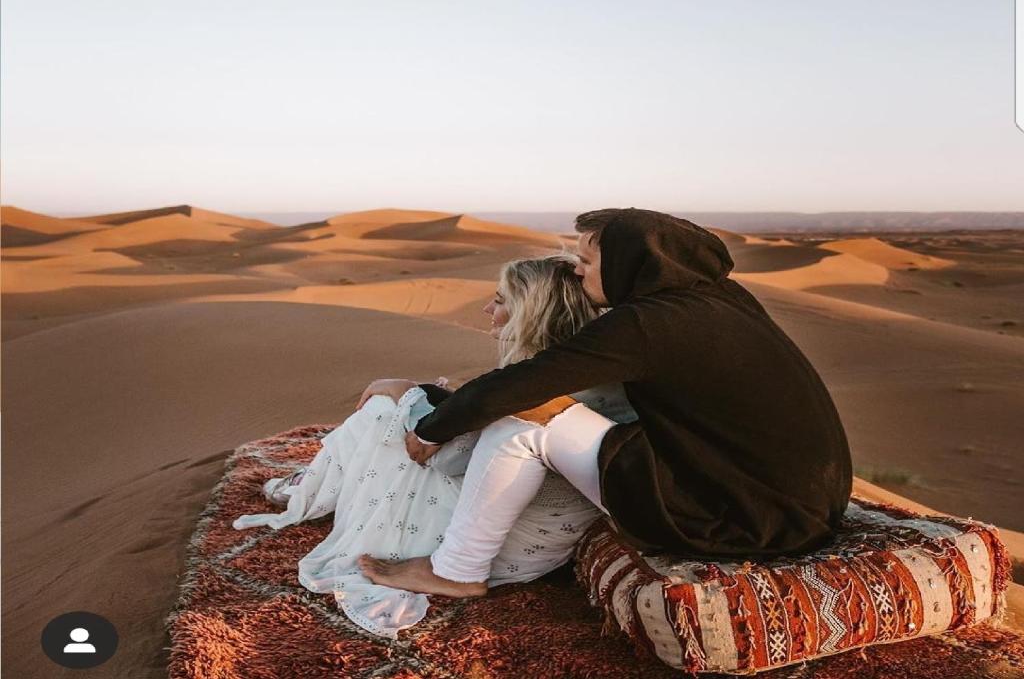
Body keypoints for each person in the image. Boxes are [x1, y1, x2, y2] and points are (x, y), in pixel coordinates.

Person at [358, 207, 853, 598]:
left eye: (589, 262)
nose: (578, 271)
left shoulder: (647, 322)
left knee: (526, 423)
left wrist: (430, 428)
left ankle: (456, 570)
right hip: (798, 506)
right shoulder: (719, 298)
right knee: (542, 410)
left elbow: (526, 385)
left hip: (736, 519)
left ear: (627, 263)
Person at [232, 254, 637, 637]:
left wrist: (407, 394)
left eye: (499, 301)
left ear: (531, 314)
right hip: (540, 538)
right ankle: (316, 485)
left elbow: (448, 458)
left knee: (383, 414)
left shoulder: (537, 389)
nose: (486, 310)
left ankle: (313, 489)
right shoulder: (596, 373)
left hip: (498, 547)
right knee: (401, 405)